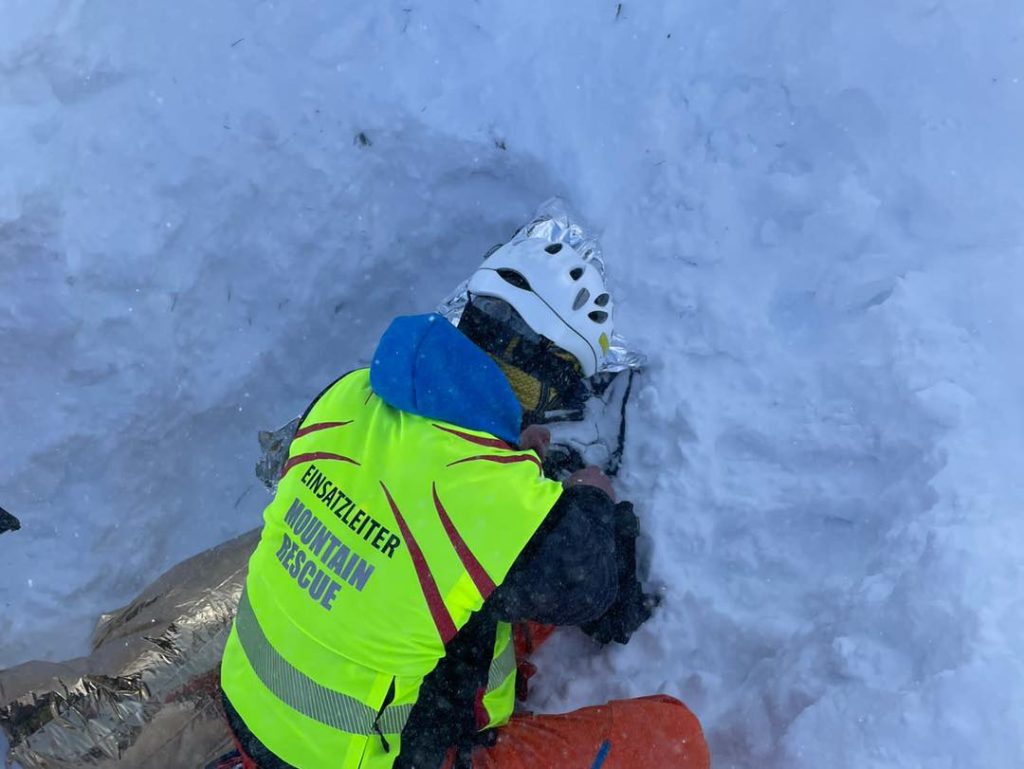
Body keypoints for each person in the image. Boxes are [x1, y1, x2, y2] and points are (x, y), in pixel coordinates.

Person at [218, 237, 709, 769]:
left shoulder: (348, 393)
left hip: (257, 714)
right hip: (364, 759)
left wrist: (504, 456)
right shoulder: (495, 502)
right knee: (675, 739)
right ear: (542, 385)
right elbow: (591, 585)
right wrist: (590, 493)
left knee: (479, 580)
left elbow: (417, 487)